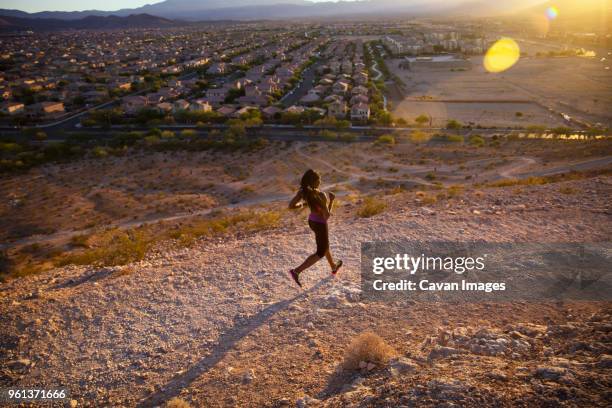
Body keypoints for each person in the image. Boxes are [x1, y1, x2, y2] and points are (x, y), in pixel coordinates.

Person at [288, 169, 342, 287]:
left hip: (311, 221)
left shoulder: (303, 192)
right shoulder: (321, 195)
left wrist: (304, 204)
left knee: (324, 244)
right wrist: (332, 201)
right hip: (320, 224)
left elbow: (291, 206)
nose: (320, 181)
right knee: (320, 252)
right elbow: (326, 216)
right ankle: (296, 271)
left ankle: (333, 266)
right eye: (319, 179)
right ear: (315, 181)